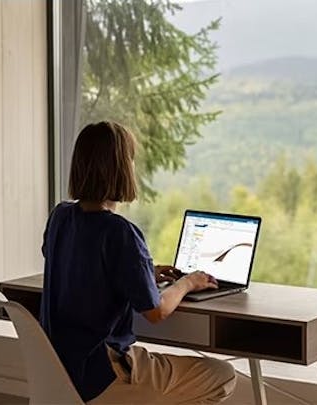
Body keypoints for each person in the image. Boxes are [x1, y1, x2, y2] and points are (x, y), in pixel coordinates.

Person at [40, 121, 237, 404]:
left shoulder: (60, 216)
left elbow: (72, 259)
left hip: (62, 372)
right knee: (223, 375)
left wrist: (142, 273)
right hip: (103, 375)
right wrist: (187, 282)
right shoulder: (120, 232)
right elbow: (156, 312)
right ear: (121, 168)